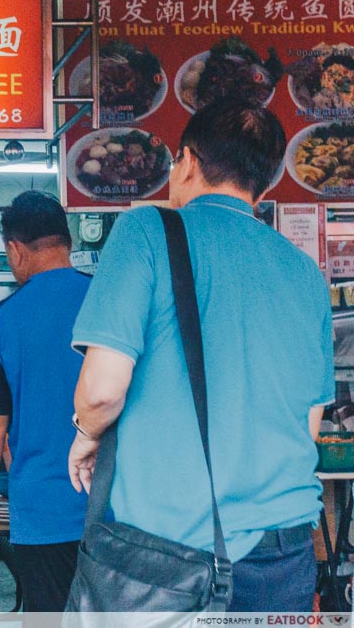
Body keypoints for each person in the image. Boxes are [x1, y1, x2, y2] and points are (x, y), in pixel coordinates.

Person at [68, 97, 331, 612]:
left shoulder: (147, 230)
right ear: (267, 181)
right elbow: (310, 426)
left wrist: (85, 436)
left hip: (170, 558)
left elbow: (101, 390)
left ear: (187, 161)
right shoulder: (304, 272)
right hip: (285, 556)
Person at [0, 192, 91, 612]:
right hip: (117, 510)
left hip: (44, 513)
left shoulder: (4, 317)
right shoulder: (109, 301)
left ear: (15, 250)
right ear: (68, 243)